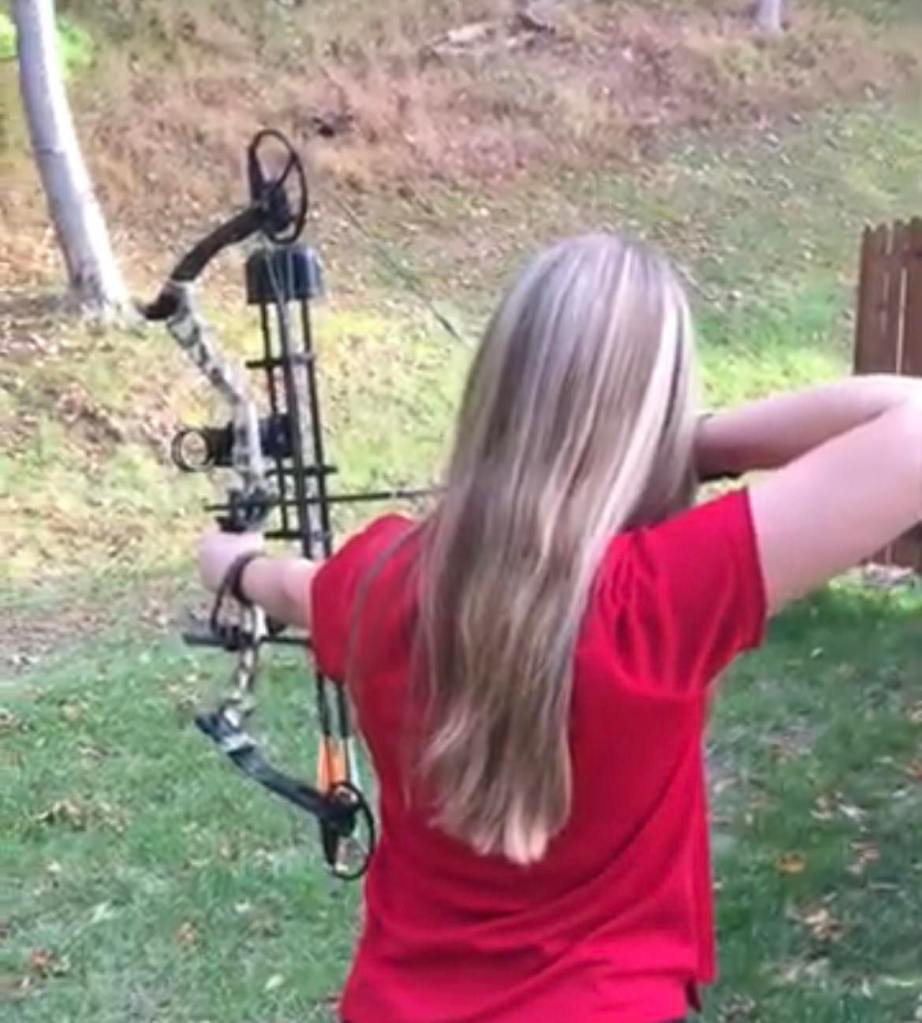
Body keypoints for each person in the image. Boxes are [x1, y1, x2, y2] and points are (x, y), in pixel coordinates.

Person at [197, 233, 922, 1023]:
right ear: (650, 413)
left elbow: (295, 586)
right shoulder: (659, 597)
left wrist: (231, 564)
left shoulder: (378, 574)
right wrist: (686, 441)